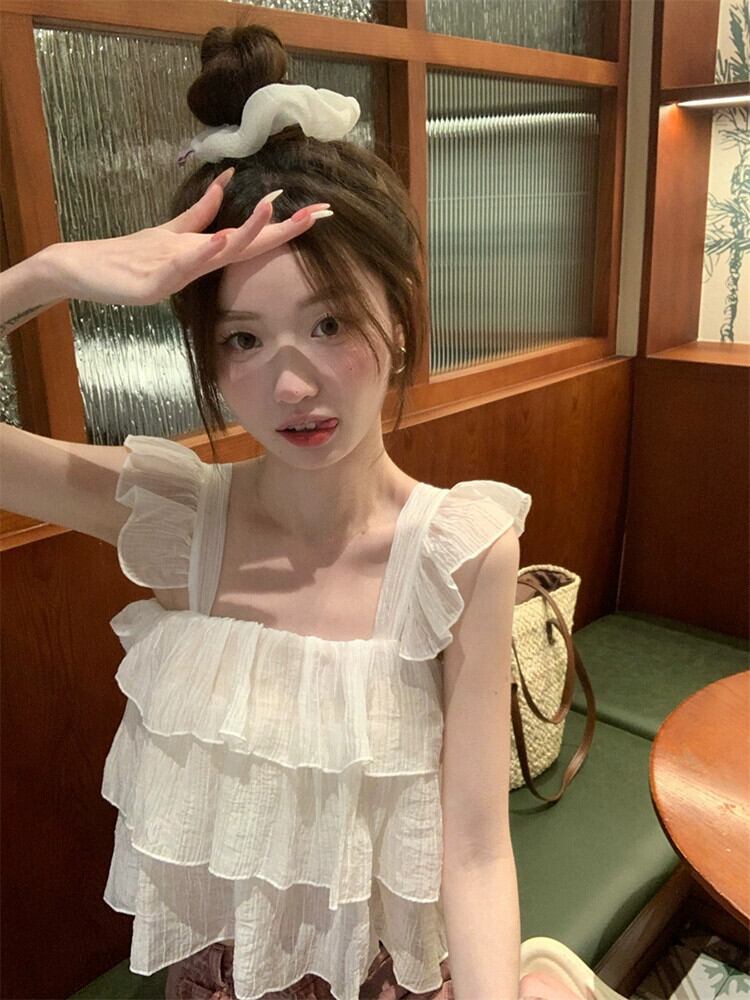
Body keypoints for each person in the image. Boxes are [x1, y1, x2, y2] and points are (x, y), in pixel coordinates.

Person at [0, 21, 628, 1000]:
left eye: (329, 322)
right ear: (212, 361)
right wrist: (51, 272)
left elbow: (472, 850)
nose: (292, 385)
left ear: (400, 316)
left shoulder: (458, 551)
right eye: (244, 340)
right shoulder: (180, 521)